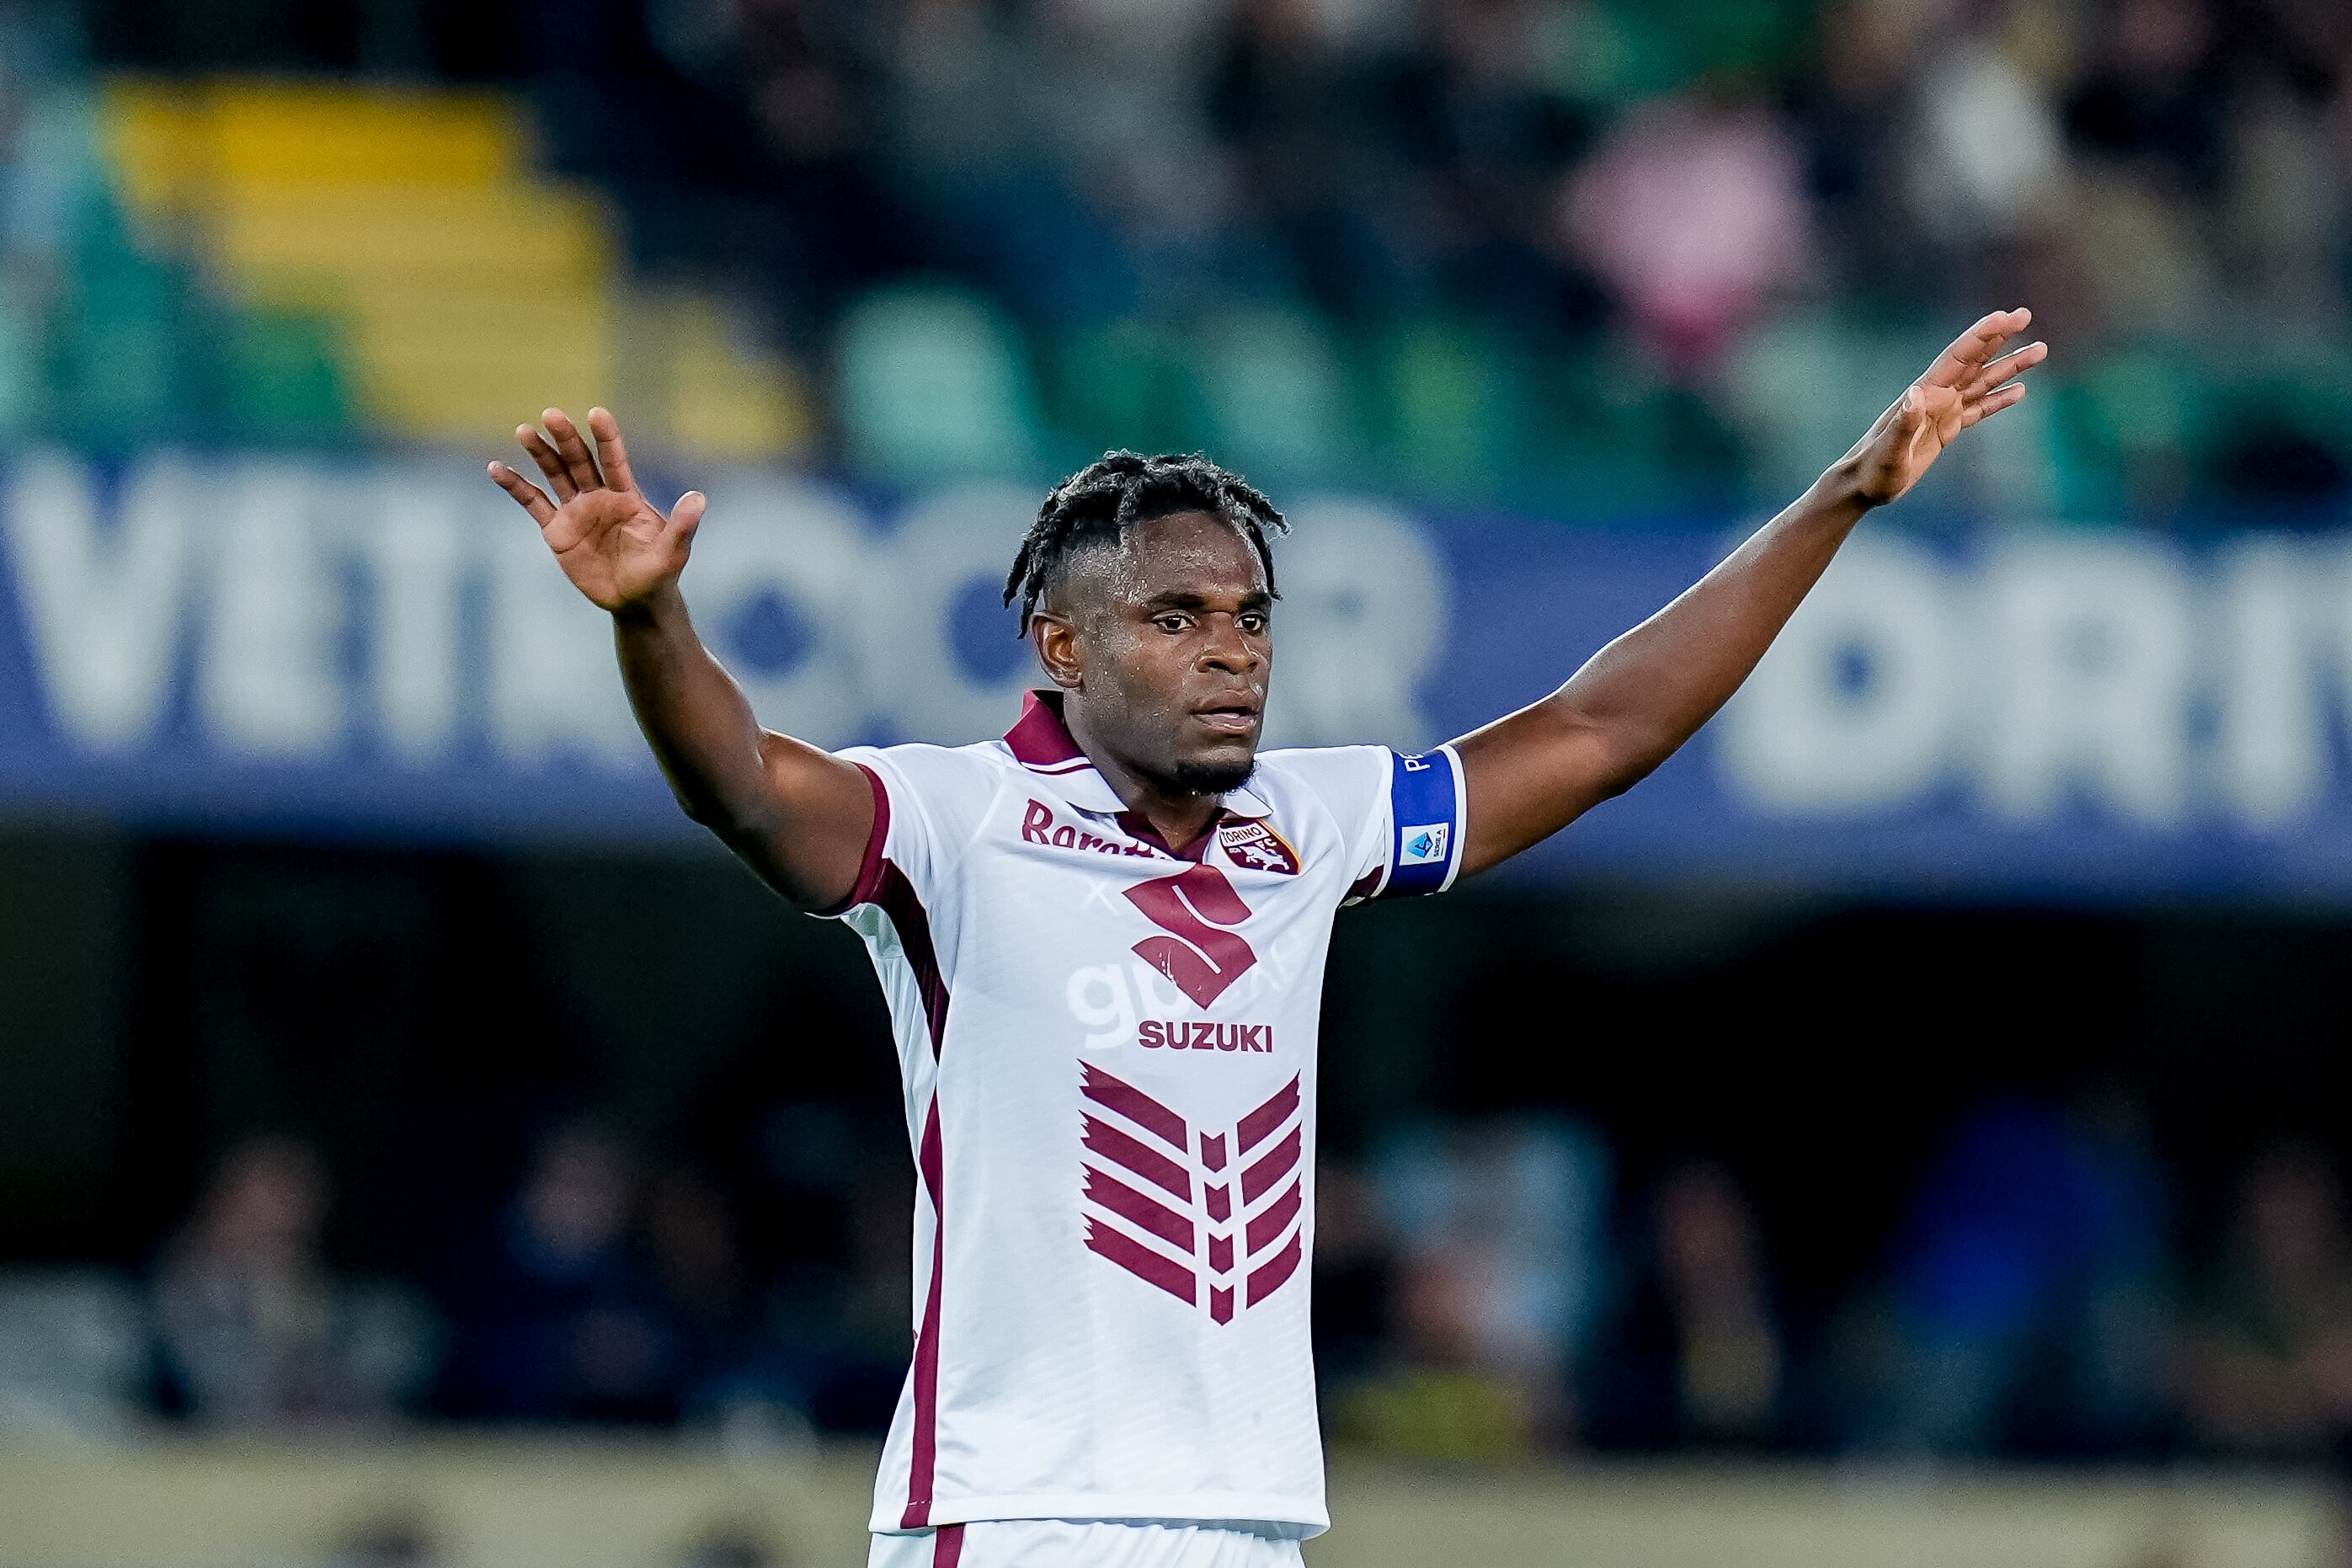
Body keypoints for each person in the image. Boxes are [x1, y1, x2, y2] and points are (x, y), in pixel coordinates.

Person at [487, 308, 2045, 1568]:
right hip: (1022, 1512)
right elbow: (744, 789)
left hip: (1248, 1519)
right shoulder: (955, 825)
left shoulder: (1307, 825)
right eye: (1174, 620)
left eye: (1247, 620)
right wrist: (650, 620)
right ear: (1061, 644)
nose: (1228, 654)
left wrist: (1839, 493)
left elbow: (1598, 730)